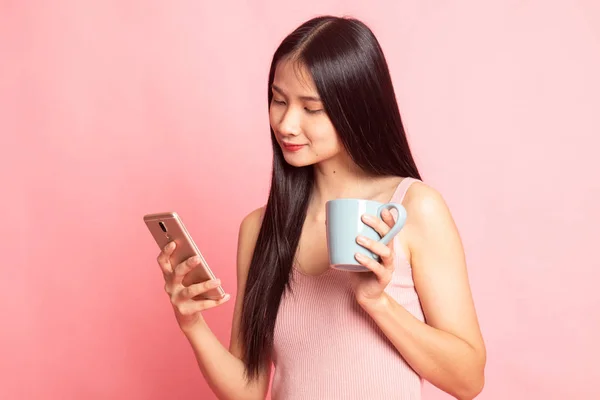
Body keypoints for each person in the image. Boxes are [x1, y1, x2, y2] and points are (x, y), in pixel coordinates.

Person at [156, 15, 486, 400]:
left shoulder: (412, 209)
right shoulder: (260, 228)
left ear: (356, 109)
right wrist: (191, 322)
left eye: (311, 108)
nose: (287, 124)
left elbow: (468, 380)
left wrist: (377, 303)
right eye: (279, 100)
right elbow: (248, 391)